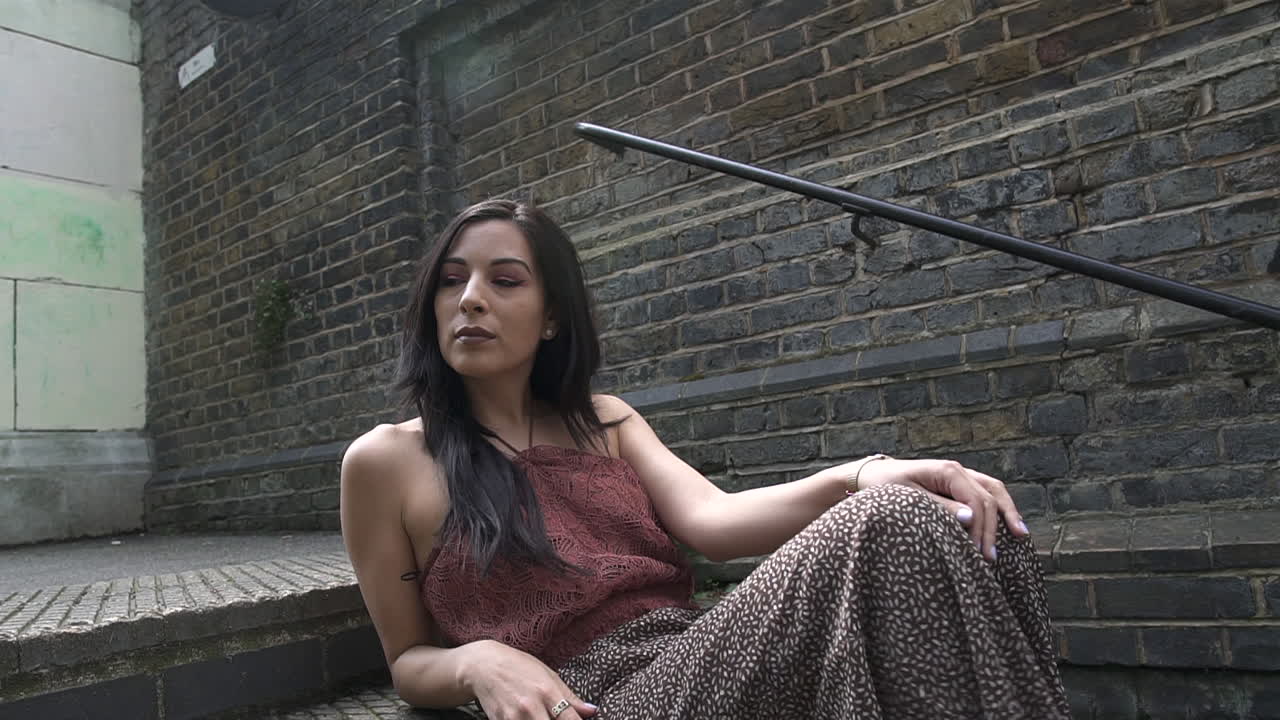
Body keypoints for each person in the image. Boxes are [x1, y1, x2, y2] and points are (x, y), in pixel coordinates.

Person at [340, 199, 1070, 720]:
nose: (470, 300)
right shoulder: (386, 461)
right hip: (593, 701)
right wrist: (479, 661)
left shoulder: (606, 421)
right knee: (896, 520)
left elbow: (715, 519)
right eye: (451, 279)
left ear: (553, 315)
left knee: (966, 518)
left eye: (504, 280)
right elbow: (407, 661)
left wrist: (861, 473)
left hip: (696, 663)